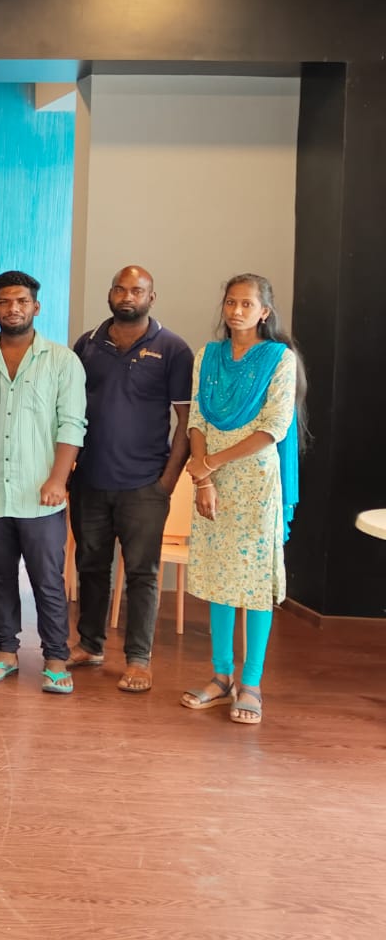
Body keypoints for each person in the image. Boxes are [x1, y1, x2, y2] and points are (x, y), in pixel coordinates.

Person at [179, 274, 303, 727]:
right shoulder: (207, 356)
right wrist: (203, 478)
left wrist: (210, 463)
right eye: (231, 302)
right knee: (219, 578)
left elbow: (275, 427)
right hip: (211, 479)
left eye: (247, 304)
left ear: (264, 312)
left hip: (255, 483)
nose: (236, 311)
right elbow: (196, 417)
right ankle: (220, 677)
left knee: (253, 582)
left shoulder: (279, 359)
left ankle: (251, 683)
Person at [70, 266, 193, 693]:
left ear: (151, 298)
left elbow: (185, 422)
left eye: (137, 291)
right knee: (91, 567)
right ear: (110, 294)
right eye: (120, 289)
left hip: (144, 486)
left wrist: (167, 482)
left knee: (142, 574)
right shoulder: (87, 344)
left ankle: (139, 660)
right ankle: (90, 644)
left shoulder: (173, 348)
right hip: (89, 481)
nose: (127, 297)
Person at [0, 272, 87, 694]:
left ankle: (55, 658)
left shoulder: (62, 361)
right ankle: (5, 652)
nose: (12, 309)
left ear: (36, 307)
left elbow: (72, 424)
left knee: (47, 581)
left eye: (21, 301)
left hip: (41, 495)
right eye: (4, 302)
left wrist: (58, 479)